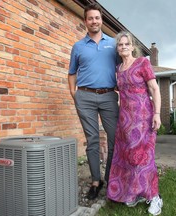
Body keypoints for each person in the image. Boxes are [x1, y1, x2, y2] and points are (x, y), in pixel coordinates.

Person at [107, 31, 163, 216]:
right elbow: (120, 95)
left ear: (132, 47)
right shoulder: (118, 69)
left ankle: (155, 197)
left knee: (145, 157)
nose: (123, 47)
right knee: (129, 157)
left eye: (126, 44)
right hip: (125, 121)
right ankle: (137, 193)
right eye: (120, 45)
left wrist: (157, 114)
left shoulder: (142, 63)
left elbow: (154, 88)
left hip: (143, 118)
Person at [68, 3, 119, 200]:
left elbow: (124, 67)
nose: (94, 21)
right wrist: (75, 94)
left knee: (114, 138)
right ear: (85, 21)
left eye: (97, 18)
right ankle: (96, 181)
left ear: (101, 20)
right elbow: (71, 73)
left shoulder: (113, 44)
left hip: (108, 96)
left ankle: (111, 178)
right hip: (85, 97)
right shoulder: (78, 47)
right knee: (92, 141)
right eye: (90, 18)